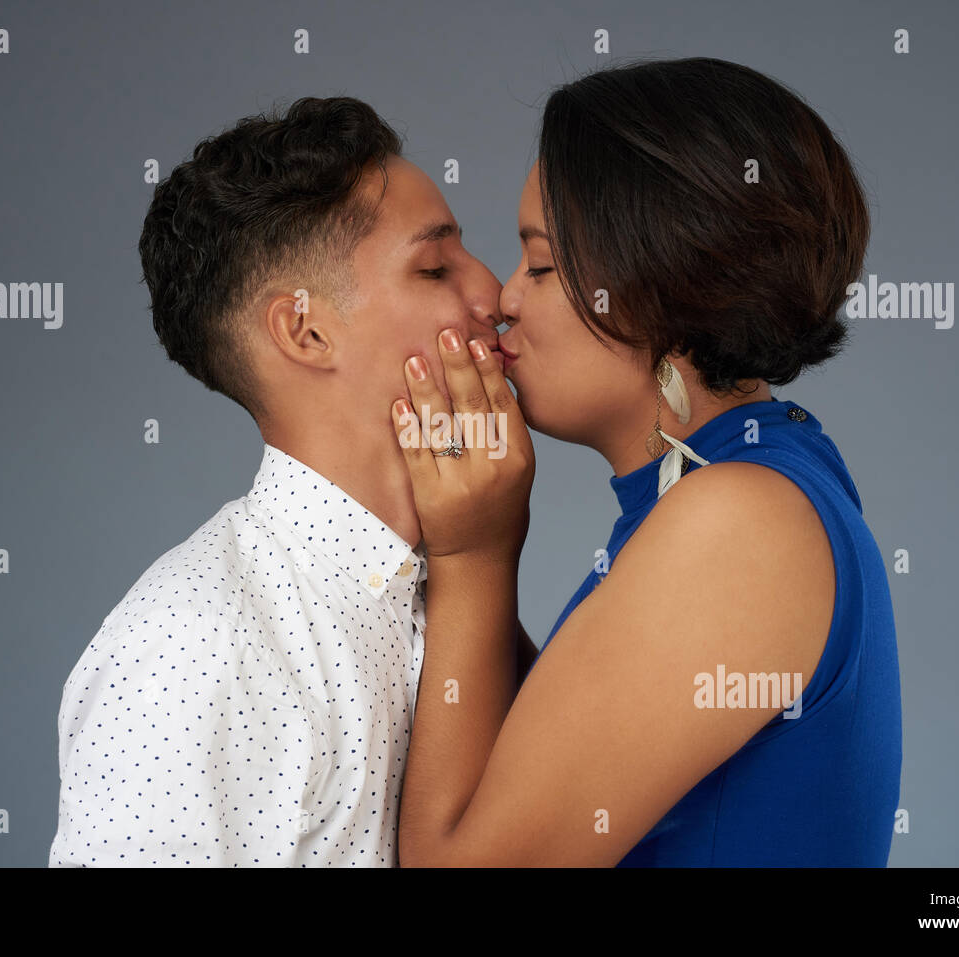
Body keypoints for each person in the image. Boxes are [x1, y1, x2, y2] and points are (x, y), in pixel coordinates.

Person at [390, 57, 903, 866]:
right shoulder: (756, 473)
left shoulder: (742, 522)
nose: (506, 299)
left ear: (664, 279)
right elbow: (537, 776)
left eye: (544, 265)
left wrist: (476, 552)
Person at [49, 96, 535, 866]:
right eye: (436, 266)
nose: (496, 297)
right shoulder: (189, 646)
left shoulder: (450, 585)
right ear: (306, 331)